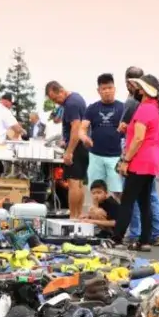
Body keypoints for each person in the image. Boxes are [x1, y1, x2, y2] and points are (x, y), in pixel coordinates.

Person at [113, 74, 159, 251]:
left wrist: (126, 160)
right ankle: (145, 241)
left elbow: (139, 138)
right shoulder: (155, 108)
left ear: (143, 91)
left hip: (139, 160)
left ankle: (116, 238)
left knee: (127, 200)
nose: (135, 90)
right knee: (144, 202)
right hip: (151, 161)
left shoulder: (144, 109)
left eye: (138, 87)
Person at [46, 79, 91, 219]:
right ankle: (78, 214)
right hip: (83, 145)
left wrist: (69, 151)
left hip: (76, 147)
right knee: (80, 182)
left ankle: (73, 216)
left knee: (73, 182)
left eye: (55, 99)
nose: (56, 102)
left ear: (61, 91)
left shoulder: (71, 104)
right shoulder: (77, 98)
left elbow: (75, 128)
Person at [84, 73, 127, 197]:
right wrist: (84, 137)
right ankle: (97, 210)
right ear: (98, 90)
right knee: (96, 191)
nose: (107, 91)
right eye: (104, 88)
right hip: (95, 156)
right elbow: (82, 128)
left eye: (109, 88)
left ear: (114, 89)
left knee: (118, 192)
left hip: (116, 156)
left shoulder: (123, 108)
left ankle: (119, 210)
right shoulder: (92, 108)